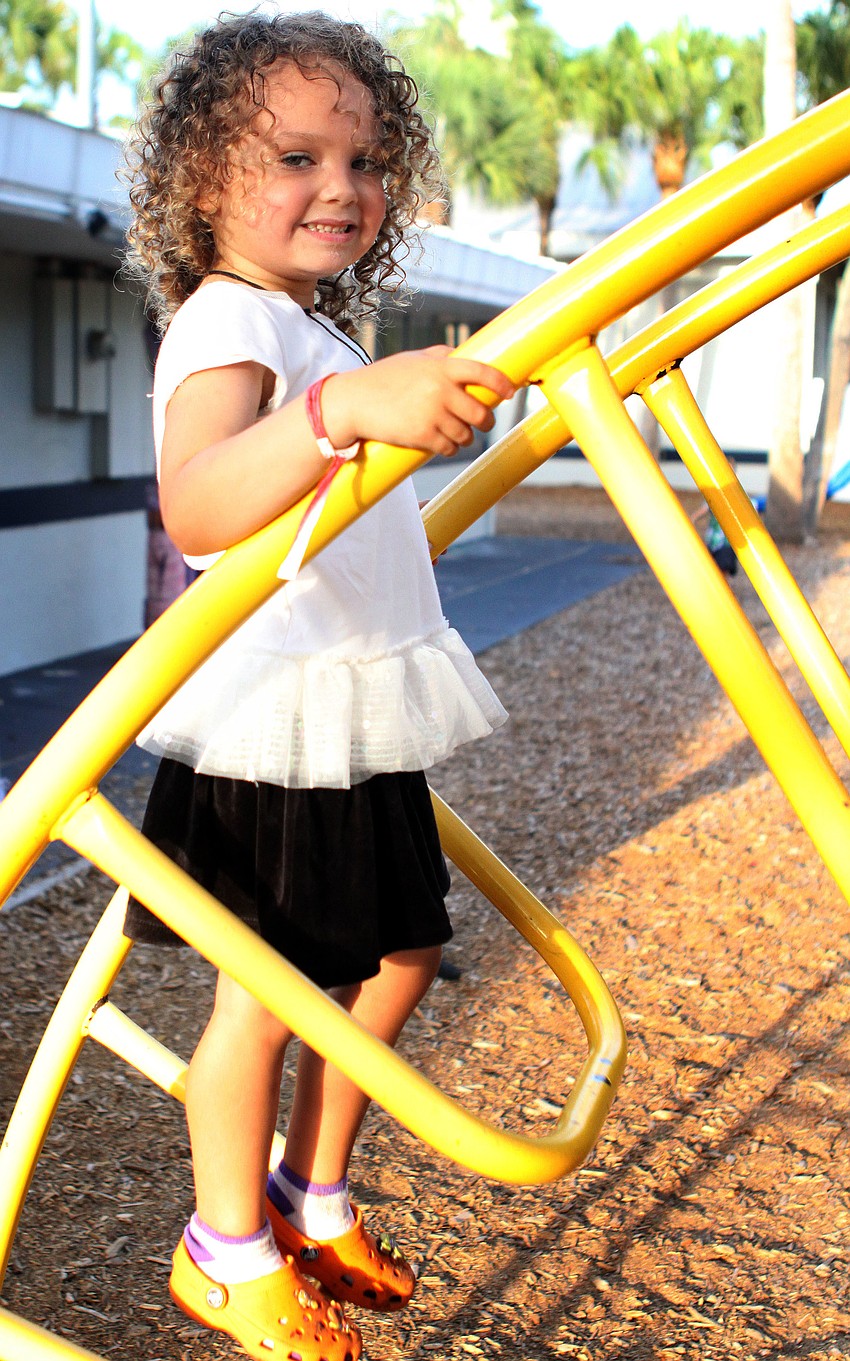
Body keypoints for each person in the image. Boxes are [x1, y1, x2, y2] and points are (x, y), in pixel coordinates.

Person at [120, 12, 514, 1361]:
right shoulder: (233, 321)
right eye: (297, 155)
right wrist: (341, 414)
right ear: (203, 181)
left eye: (364, 160)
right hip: (275, 710)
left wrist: (391, 400)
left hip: (346, 698)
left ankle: (309, 1186)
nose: (340, 187)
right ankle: (225, 1248)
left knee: (399, 950)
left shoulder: (311, 329)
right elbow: (201, 501)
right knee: (267, 988)